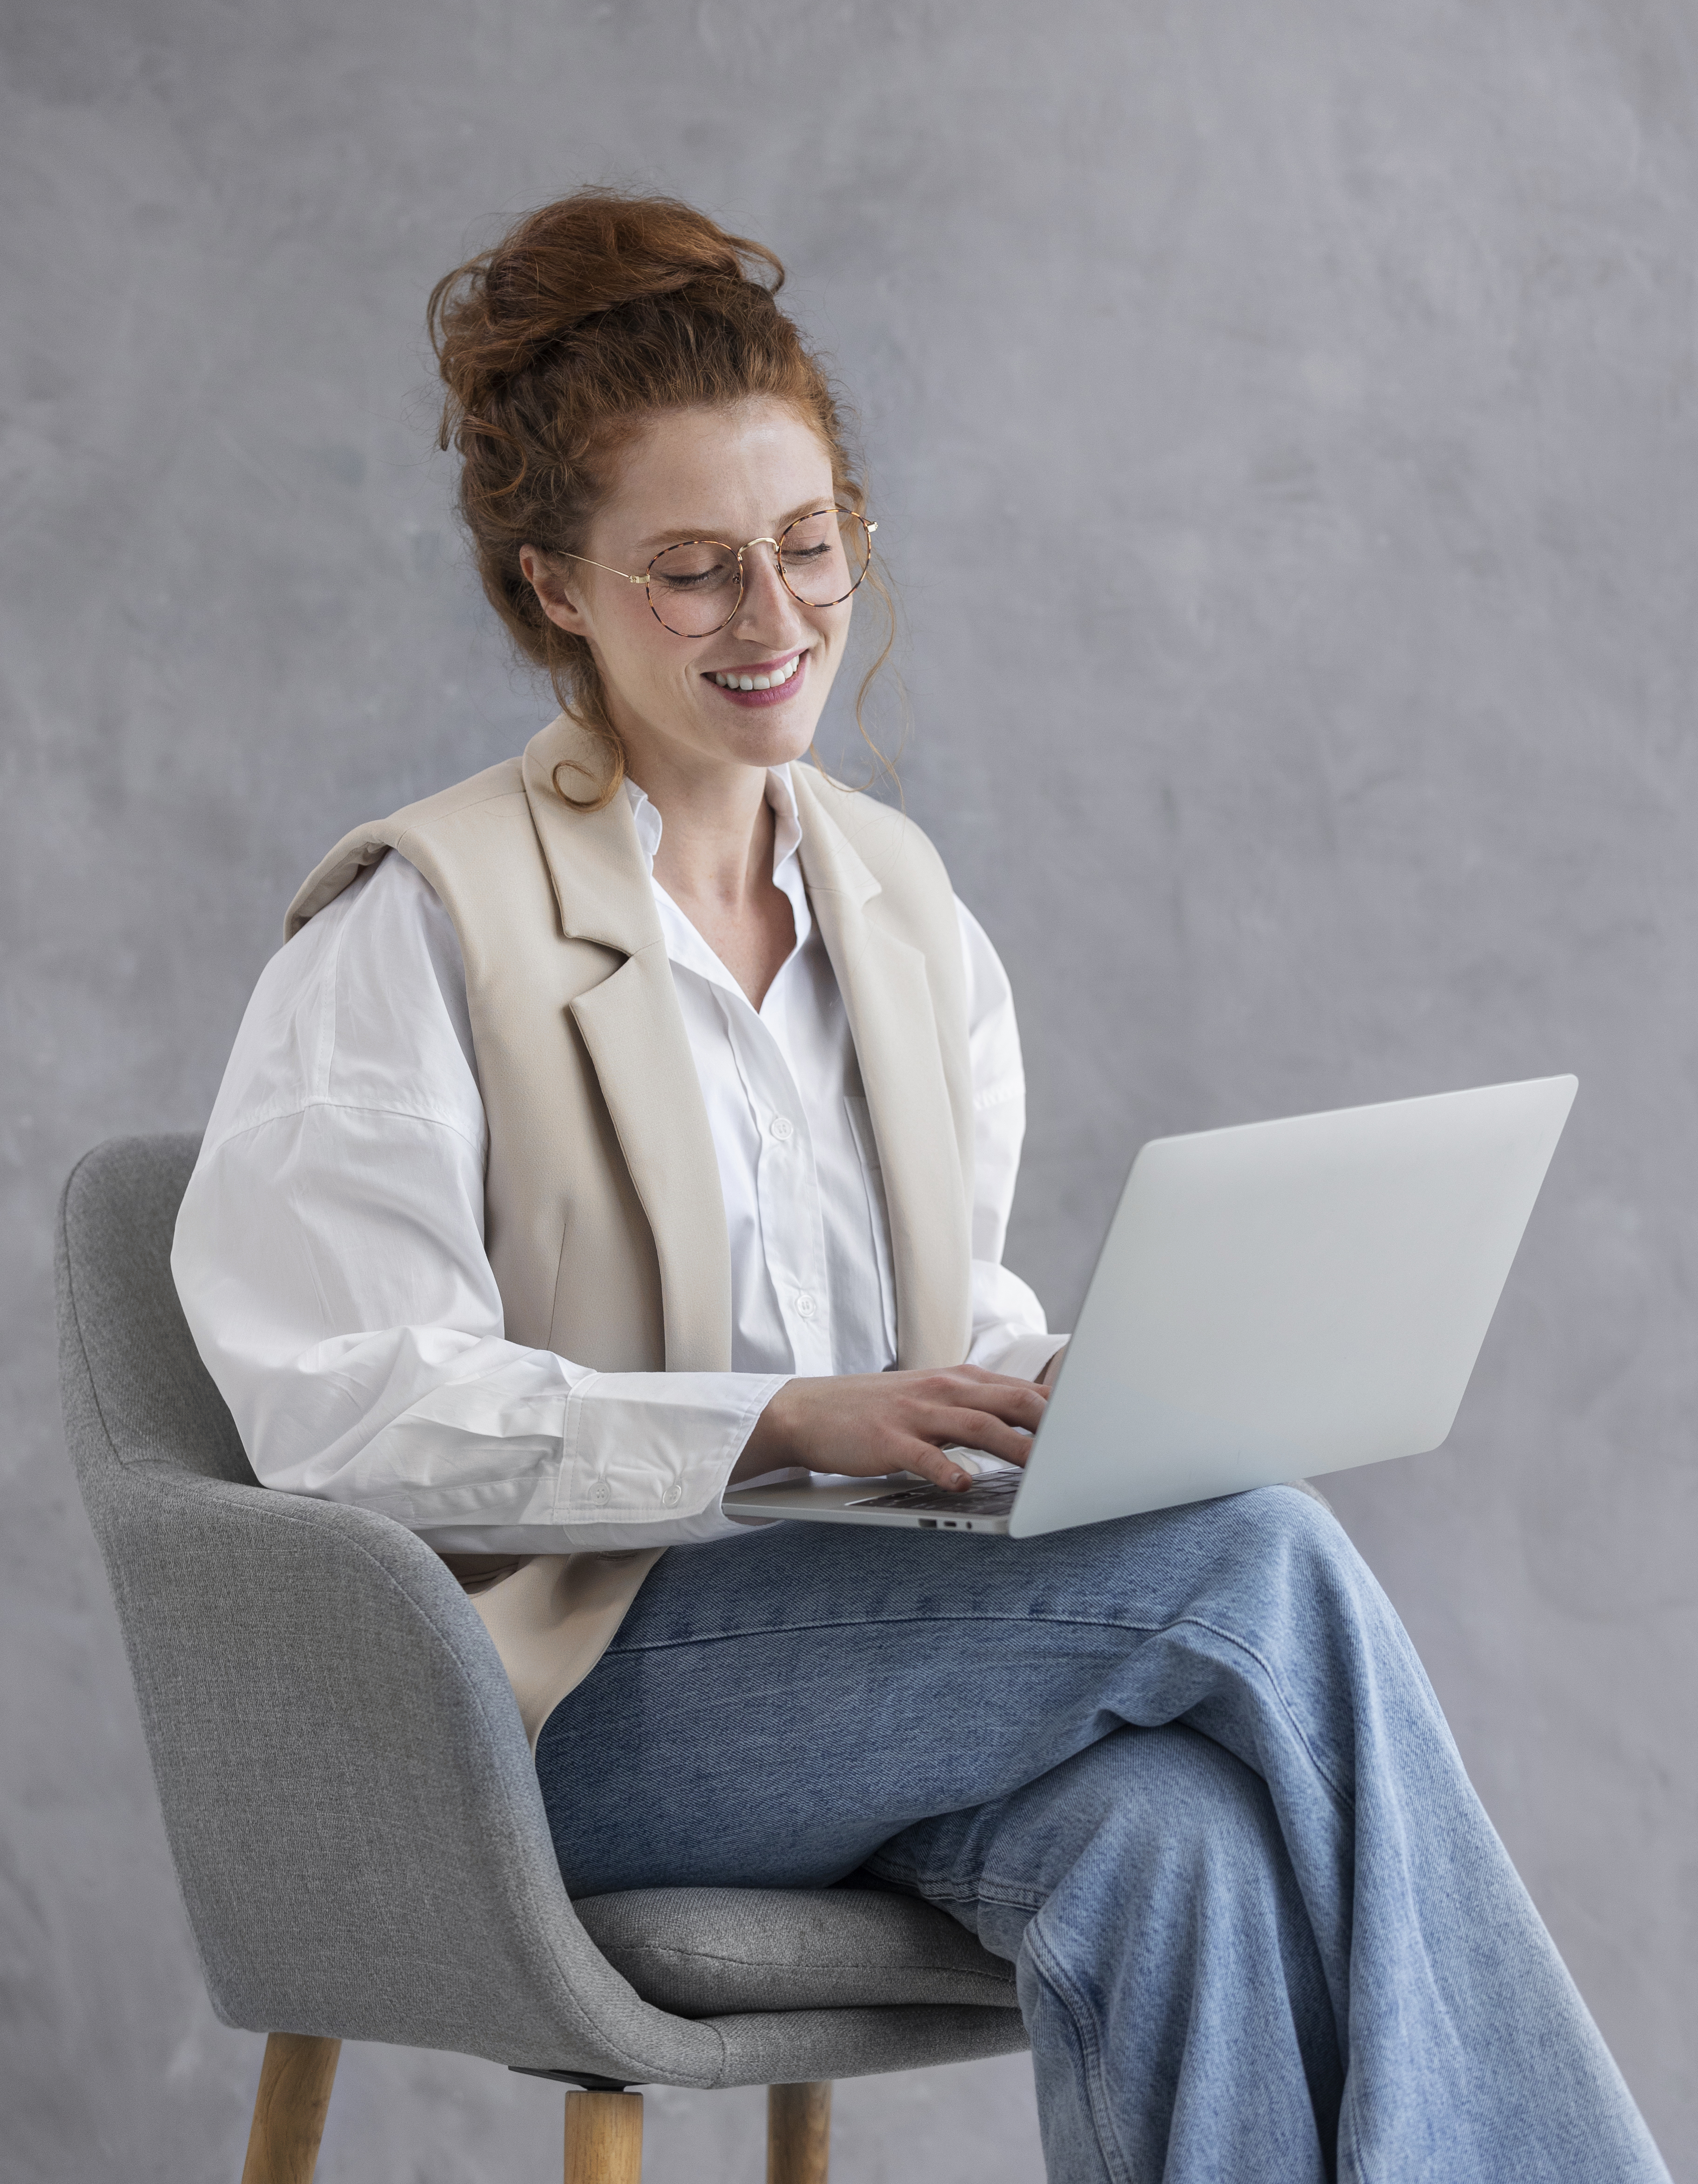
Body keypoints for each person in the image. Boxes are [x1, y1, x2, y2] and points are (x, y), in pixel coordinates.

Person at [172, 189, 1668, 2183]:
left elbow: (935, 1331)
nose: (775, 624)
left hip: (881, 1658)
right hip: (557, 1710)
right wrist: (768, 1423)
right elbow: (334, 1413)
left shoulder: (898, 901)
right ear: (556, 589)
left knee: (1180, 1850)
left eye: (811, 552)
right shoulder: (417, 927)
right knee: (1254, 1563)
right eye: (694, 575)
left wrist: (1077, 1395)